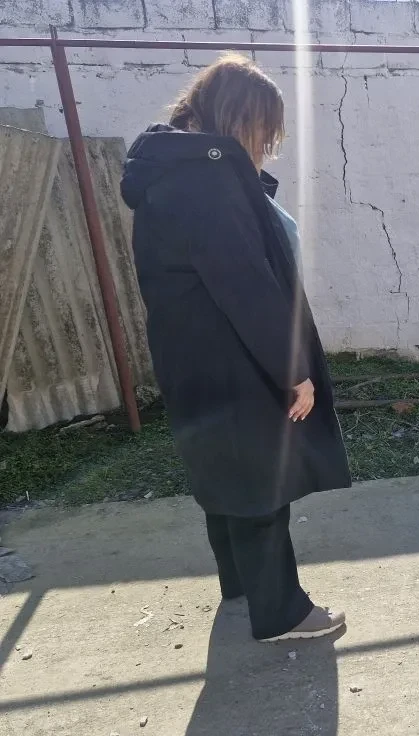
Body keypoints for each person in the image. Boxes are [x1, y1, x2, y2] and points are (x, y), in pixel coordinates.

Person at [121, 54, 352, 643]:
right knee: (258, 483)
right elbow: (245, 285)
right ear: (239, 118)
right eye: (264, 132)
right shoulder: (206, 179)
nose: (266, 148)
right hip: (234, 357)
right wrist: (293, 370)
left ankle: (242, 586)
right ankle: (281, 614)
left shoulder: (172, 171)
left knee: (224, 472)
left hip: (191, 358)